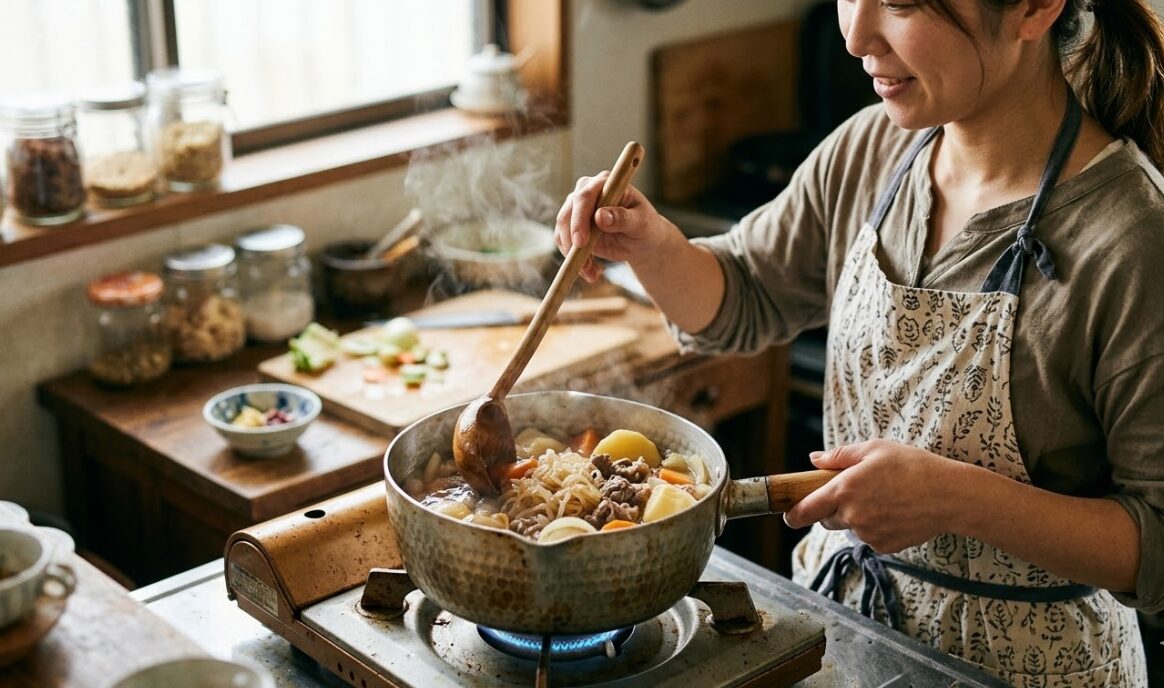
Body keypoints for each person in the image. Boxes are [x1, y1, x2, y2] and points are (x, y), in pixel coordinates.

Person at [555, 0, 1164, 684]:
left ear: (1032, 8)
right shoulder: (874, 151)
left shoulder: (1133, 239)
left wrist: (958, 500)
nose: (854, 35)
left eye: (900, 1)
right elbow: (746, 290)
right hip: (840, 641)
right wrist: (652, 245)